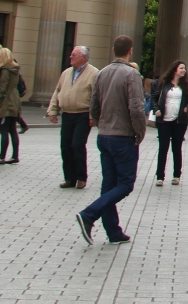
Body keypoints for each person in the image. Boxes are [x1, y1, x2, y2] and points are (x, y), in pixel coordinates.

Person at [77, 36, 146, 246]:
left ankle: (113, 232)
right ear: (130, 51)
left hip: (104, 134)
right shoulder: (132, 74)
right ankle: (89, 214)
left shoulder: (102, 73)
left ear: (113, 49)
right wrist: (139, 132)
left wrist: (100, 123)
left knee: (108, 185)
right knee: (125, 184)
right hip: (122, 136)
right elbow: (136, 107)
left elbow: (94, 104)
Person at [47, 46, 99, 189]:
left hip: (83, 114)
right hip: (68, 114)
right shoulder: (66, 73)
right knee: (65, 146)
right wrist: (53, 110)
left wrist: (92, 116)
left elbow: (96, 97)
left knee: (77, 145)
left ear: (83, 57)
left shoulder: (94, 73)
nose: (70, 57)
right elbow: (58, 91)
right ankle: (70, 178)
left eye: (73, 55)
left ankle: (81, 177)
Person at [150, 60, 188, 187]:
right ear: (175, 69)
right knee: (163, 148)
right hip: (164, 120)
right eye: (181, 68)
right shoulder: (163, 84)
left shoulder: (186, 85)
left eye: (184, 68)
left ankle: (176, 175)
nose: (184, 70)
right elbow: (154, 97)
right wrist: (156, 110)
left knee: (177, 148)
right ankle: (160, 176)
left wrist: (187, 108)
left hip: (179, 121)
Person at [0, 48, 23, 164]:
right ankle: (14, 156)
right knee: (12, 129)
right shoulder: (15, 68)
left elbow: (2, 89)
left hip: (7, 101)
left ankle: (1, 156)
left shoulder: (5, 70)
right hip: (14, 99)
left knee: (4, 129)